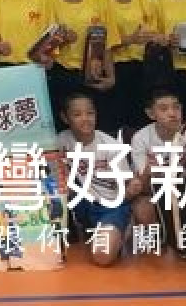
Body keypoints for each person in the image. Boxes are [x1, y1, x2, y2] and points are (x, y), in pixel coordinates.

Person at [56, 92, 138, 267]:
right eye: (77, 114)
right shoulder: (61, 140)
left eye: (90, 113)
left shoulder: (111, 146)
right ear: (65, 117)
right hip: (80, 205)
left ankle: (121, 230)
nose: (85, 119)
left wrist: (133, 188)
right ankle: (84, 228)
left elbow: (127, 187)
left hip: (110, 207)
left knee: (102, 256)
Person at [44, 0, 119, 132]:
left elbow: (108, 43)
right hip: (61, 74)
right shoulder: (46, 1)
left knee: (96, 128)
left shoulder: (100, 0)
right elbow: (41, 48)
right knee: (62, 128)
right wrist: (60, 40)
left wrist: (110, 77)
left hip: (93, 74)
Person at [99, 0, 160, 136]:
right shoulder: (98, 0)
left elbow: (153, 34)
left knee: (141, 127)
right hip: (112, 69)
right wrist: (129, 39)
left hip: (142, 69)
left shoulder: (145, 0)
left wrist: (159, 39)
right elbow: (98, 40)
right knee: (111, 126)